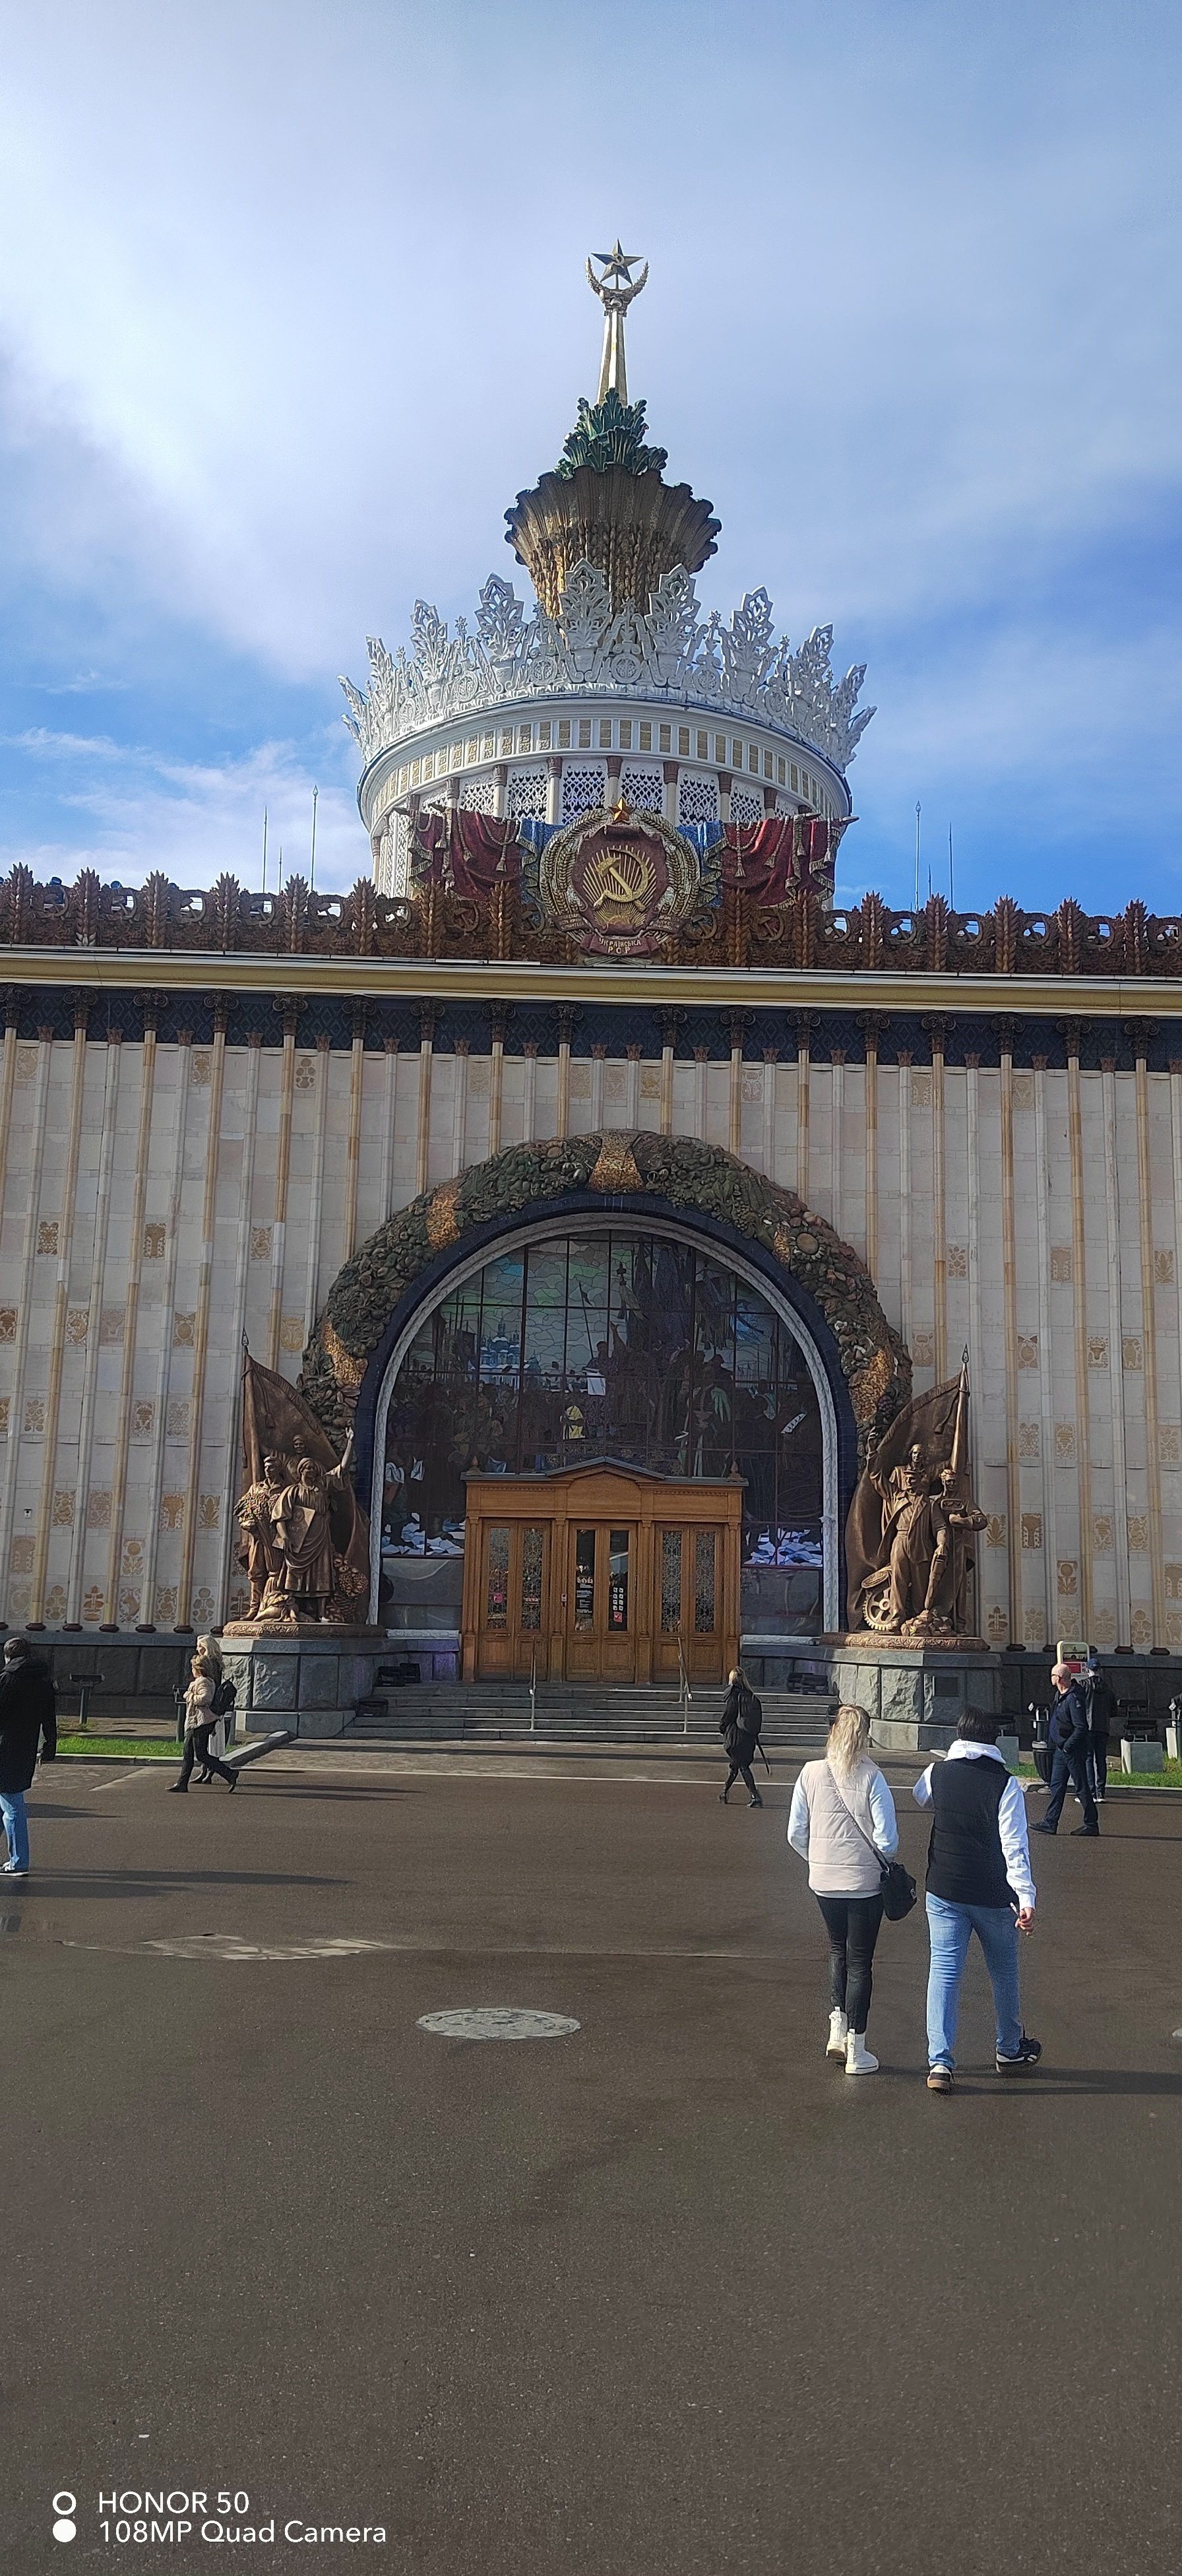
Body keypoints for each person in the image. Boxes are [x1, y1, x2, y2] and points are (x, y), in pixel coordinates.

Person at [914, 1713, 1040, 2094]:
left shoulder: (937, 1773)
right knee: (1003, 1972)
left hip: (945, 1889)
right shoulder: (1005, 1784)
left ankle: (940, 2062)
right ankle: (1009, 2049)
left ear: (959, 1735)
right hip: (992, 1894)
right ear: (994, 1740)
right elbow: (1015, 1846)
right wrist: (1026, 1897)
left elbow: (921, 1798)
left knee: (944, 1971)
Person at [787, 1703, 899, 2077]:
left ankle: (837, 2025)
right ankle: (858, 2048)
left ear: (832, 1732)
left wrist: (817, 1859)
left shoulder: (810, 1772)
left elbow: (795, 1832)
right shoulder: (872, 1777)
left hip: (823, 1882)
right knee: (860, 1962)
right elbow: (888, 1840)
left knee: (838, 1949)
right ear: (865, 1735)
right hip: (864, 1884)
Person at [0, 1634, 57, 1875]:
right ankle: (17, 1859)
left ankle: (19, 1861)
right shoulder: (43, 1680)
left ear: (8, 1656)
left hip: (4, 1747)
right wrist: (50, 1746)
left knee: (12, 1803)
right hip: (26, 1748)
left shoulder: (6, 1679)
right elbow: (49, 1717)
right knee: (6, 1800)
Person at [1032, 1662, 1098, 1837]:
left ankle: (1091, 1824)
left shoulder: (1073, 1698)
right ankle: (1050, 1822)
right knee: (1056, 1787)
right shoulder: (1059, 1696)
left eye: (1053, 1675)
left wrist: (1068, 1746)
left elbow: (1080, 1727)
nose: (1051, 1678)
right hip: (1060, 1750)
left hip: (1072, 1751)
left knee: (1081, 1787)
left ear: (1058, 1678)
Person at [170, 1644, 237, 1792]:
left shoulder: (203, 1682)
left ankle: (230, 1774)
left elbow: (205, 1698)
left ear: (199, 1669)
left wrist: (189, 1695)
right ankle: (182, 1784)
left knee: (201, 1755)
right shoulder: (207, 1681)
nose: (192, 1671)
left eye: (193, 1668)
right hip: (200, 1722)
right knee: (188, 1753)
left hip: (201, 1722)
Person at [718, 1667, 764, 1809]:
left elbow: (729, 1713)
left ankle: (755, 1796)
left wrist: (722, 1726)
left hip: (735, 1737)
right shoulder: (750, 1694)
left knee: (742, 1765)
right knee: (736, 1764)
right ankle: (724, 1792)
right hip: (748, 1736)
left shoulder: (733, 1694)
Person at [1082, 1652, 1114, 1805]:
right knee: (1101, 1760)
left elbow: (1078, 1706)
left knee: (1088, 1759)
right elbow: (1114, 1710)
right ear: (1100, 1670)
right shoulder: (1108, 1688)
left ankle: (1091, 1793)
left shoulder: (1084, 1686)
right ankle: (1101, 1792)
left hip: (1088, 1728)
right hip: (1103, 1728)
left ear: (1087, 1670)